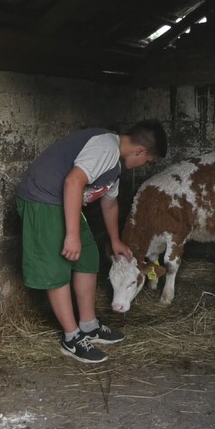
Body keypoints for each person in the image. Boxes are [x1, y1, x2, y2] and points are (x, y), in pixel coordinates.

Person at [16, 120, 168, 363]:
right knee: (56, 267)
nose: (144, 166)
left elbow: (110, 203)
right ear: (140, 151)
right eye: (148, 161)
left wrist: (115, 240)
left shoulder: (115, 165)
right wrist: (72, 235)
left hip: (64, 203)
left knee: (88, 257)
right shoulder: (106, 147)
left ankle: (88, 326)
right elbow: (73, 181)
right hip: (42, 200)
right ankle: (71, 338)